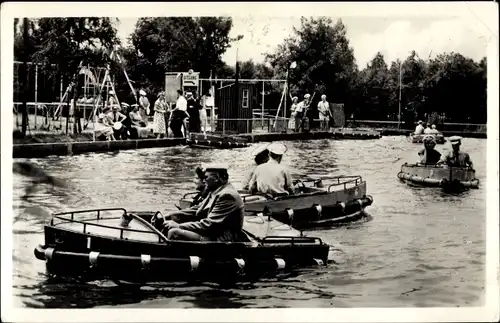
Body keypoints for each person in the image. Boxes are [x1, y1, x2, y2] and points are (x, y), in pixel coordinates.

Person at [161, 164, 245, 242]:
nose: (204, 181)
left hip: (220, 238)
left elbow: (209, 224)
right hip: (212, 232)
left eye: (206, 177)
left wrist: (179, 226)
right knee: (171, 221)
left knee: (174, 232)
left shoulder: (227, 195)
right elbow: (197, 209)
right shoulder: (216, 190)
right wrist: (172, 215)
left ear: (216, 178)